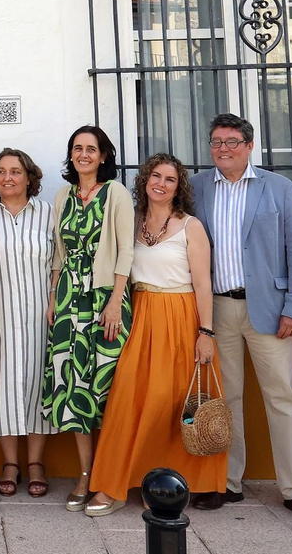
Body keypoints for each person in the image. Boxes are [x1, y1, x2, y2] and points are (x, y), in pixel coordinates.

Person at [190, 113, 292, 525]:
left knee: (281, 399)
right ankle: (226, 482)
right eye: (216, 142)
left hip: (271, 310)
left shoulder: (279, 188)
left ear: (249, 146)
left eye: (232, 142)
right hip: (217, 309)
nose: (223, 149)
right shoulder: (196, 188)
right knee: (225, 399)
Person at [86, 154, 223, 514]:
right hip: (140, 316)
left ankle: (172, 485)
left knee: (171, 404)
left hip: (180, 318)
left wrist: (206, 332)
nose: (161, 183)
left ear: (179, 188)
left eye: (170, 179)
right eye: (156, 176)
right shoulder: (130, 222)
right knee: (126, 400)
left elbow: (203, 283)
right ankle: (113, 485)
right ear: (145, 179)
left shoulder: (190, 226)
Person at [42, 125, 134, 512]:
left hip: (103, 302)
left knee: (106, 388)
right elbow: (58, 254)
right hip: (67, 302)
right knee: (73, 388)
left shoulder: (116, 193)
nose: (84, 155)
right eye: (77, 149)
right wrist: (52, 298)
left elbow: (126, 251)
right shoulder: (63, 195)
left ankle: (110, 476)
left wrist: (115, 302)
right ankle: (85, 473)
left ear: (103, 156)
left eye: (91, 149)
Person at [0, 148, 58, 498]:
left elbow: (59, 262)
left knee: (37, 385)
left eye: (15, 171)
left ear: (29, 177)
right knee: (3, 384)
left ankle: (36, 462)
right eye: (0, 171)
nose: (7, 178)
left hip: (39, 315)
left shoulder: (48, 214)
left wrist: (56, 299)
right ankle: (10, 463)